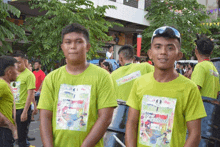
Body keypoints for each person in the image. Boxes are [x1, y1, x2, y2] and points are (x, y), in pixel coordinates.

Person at [37, 23, 117, 147]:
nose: (73, 46)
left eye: (79, 42)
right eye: (68, 42)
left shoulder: (102, 76)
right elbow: (45, 118)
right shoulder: (51, 78)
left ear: (87, 47)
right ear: (62, 47)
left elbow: (105, 118)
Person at [125, 26, 207, 147]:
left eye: (170, 48)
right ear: (150, 53)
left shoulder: (190, 88)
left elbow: (195, 134)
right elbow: (131, 124)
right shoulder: (139, 83)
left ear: (179, 55)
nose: (163, 52)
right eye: (158, 47)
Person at [11, 52, 36, 147]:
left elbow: (30, 94)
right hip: (11, 109)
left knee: (22, 138)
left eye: (19, 62)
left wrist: (25, 111)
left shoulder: (29, 75)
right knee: (11, 137)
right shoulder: (11, 73)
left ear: (24, 62)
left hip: (22, 109)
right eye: (15, 62)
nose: (17, 65)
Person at [191, 34, 220, 99]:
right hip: (211, 108)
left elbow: (194, 90)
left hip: (201, 107)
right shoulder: (214, 68)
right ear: (211, 52)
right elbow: (217, 93)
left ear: (196, 50)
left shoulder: (200, 66)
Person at [0, 56, 18, 146]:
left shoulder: (5, 84)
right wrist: (6, 122)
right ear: (10, 72)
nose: (18, 73)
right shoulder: (2, 84)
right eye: (16, 69)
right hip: (3, 131)